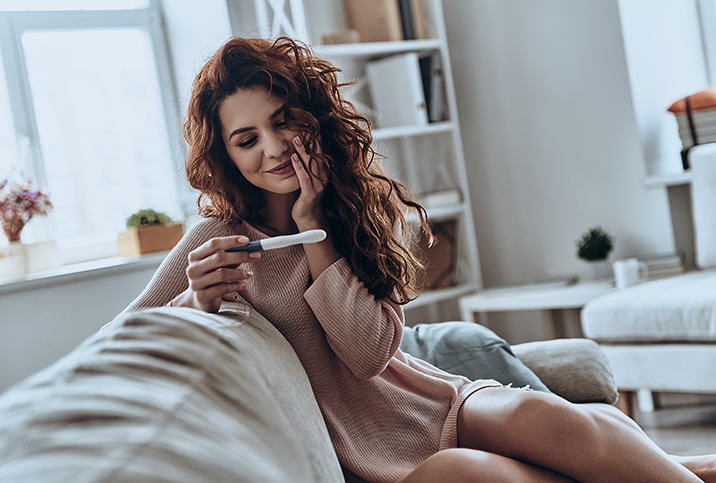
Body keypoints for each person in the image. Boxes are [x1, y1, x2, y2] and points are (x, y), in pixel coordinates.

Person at [122, 36, 715, 483]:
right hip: (368, 454)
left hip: (431, 396)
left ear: (311, 120)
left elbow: (375, 350)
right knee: (472, 473)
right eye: (246, 139)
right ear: (224, 153)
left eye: (283, 123)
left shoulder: (350, 207)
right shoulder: (216, 236)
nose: (273, 149)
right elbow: (121, 341)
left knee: (562, 420)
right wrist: (191, 301)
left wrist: (314, 226)